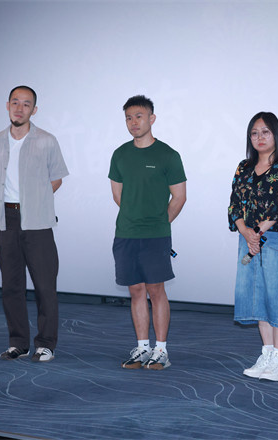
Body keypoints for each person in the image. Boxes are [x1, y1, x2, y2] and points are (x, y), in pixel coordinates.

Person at [0, 85, 69, 362]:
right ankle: (18, 343)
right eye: (15, 102)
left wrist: (36, 201)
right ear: (7, 105)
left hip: (37, 222)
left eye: (26, 104)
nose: (19, 108)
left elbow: (56, 178)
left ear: (34, 110)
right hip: (6, 220)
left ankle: (46, 344)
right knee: (11, 285)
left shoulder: (46, 141)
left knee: (45, 286)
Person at [109, 95, 187, 370]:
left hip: (156, 236)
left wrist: (158, 222)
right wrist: (135, 217)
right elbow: (118, 195)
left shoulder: (168, 155)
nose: (133, 122)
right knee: (136, 290)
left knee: (156, 290)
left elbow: (179, 197)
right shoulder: (120, 154)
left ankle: (161, 350)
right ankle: (142, 348)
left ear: (151, 119)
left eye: (139, 116)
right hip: (126, 234)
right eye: (129, 118)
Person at [228, 112, 278, 382]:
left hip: (276, 238)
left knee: (276, 298)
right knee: (256, 297)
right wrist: (246, 232)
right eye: (255, 133)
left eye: (265, 132)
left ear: (275, 135)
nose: (260, 137)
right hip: (248, 239)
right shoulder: (243, 167)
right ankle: (266, 355)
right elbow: (234, 205)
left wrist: (256, 233)